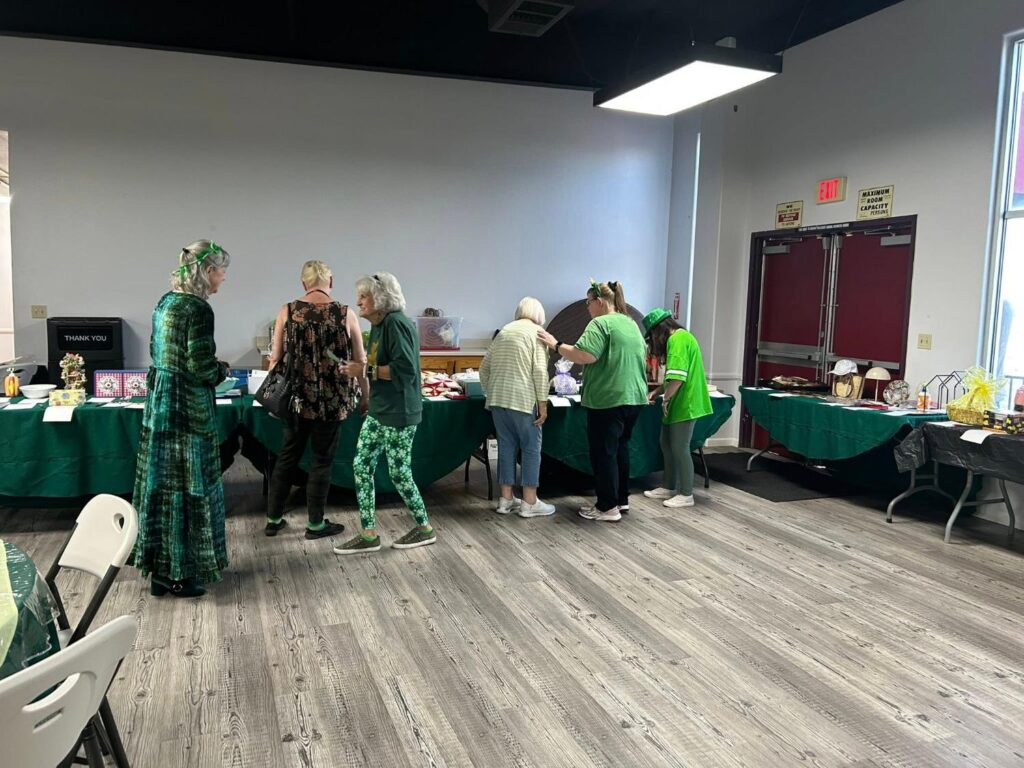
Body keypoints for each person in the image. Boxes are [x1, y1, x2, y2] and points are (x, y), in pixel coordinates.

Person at [131, 240, 231, 597]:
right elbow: (200, 366)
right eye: (222, 271)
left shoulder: (166, 302)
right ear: (208, 271)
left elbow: (156, 351)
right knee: (190, 482)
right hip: (187, 407)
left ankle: (160, 571)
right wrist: (221, 370)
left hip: (161, 401)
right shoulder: (199, 309)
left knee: (162, 482)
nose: (223, 278)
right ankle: (181, 573)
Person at [264, 260, 367, 539]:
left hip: (295, 400)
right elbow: (360, 361)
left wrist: (271, 398)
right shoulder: (346, 313)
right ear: (330, 282)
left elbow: (275, 359)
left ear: (304, 284)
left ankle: (273, 519)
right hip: (333, 400)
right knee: (322, 460)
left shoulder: (287, 311)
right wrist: (365, 396)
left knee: (287, 457)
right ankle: (315, 524)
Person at [334, 272, 436, 553]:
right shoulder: (379, 325)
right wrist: (364, 383)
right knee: (361, 466)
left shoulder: (395, 323)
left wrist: (363, 370)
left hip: (400, 412)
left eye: (364, 296)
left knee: (399, 473)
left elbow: (405, 371)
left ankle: (424, 528)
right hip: (380, 410)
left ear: (380, 299)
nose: (358, 302)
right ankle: (369, 534)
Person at [538, 280, 647, 522]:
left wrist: (555, 344)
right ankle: (620, 500)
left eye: (588, 303)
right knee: (620, 449)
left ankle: (607, 507)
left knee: (604, 453)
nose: (587, 308)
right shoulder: (630, 323)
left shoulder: (600, 323)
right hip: (634, 397)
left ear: (599, 302)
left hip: (609, 398)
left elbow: (584, 355)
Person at [479, 297, 555, 518]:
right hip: (523, 400)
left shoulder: (504, 331)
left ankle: (505, 500)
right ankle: (530, 502)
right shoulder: (537, 333)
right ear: (539, 315)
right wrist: (543, 404)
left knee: (506, 447)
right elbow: (540, 371)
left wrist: (492, 390)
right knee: (531, 448)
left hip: (498, 400)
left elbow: (484, 369)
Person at [641, 309, 712, 508]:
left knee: (680, 447)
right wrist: (657, 392)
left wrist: (665, 399)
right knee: (666, 444)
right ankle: (668, 486)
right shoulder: (681, 337)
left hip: (686, 402)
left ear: (657, 331)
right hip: (679, 401)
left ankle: (686, 494)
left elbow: (678, 378)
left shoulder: (678, 340)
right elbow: (671, 378)